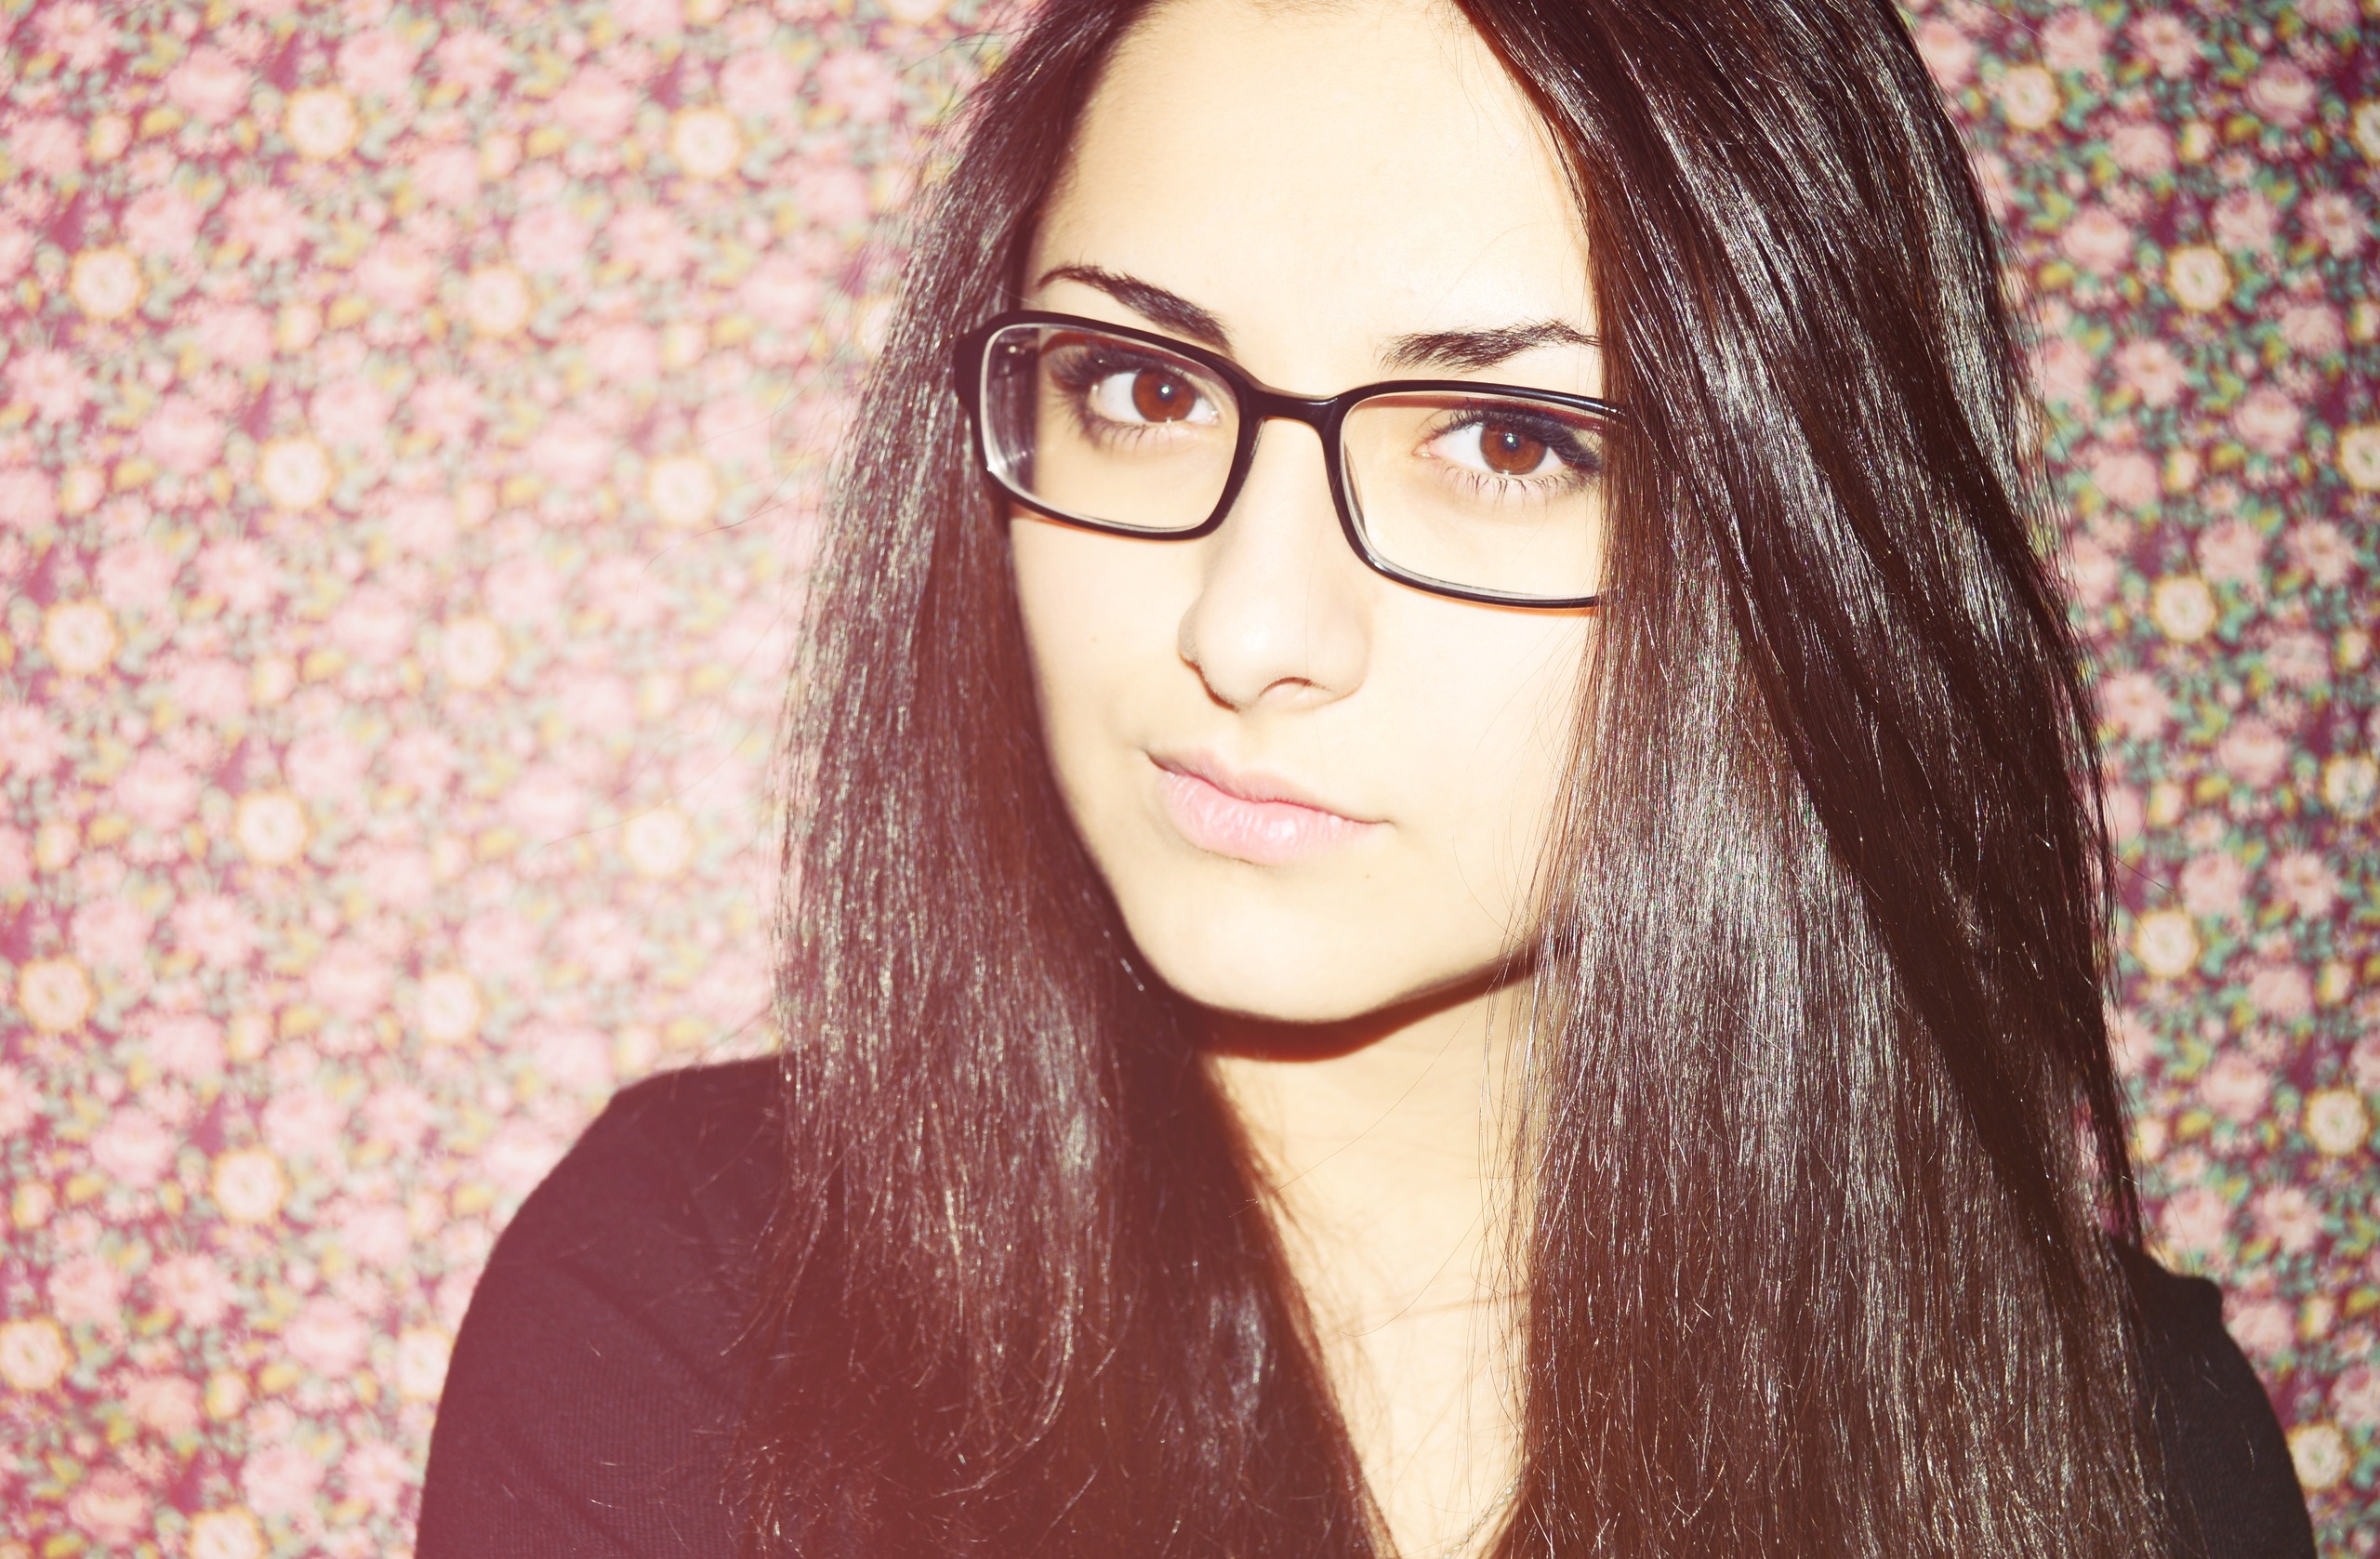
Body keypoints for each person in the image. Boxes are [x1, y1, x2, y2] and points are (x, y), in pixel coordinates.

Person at [416, 0, 2318, 1553]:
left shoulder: (2131, 1454)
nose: (1247, 625)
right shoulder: (696, 1312)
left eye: (1503, 439)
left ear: (1802, 543)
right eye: (1145, 390)